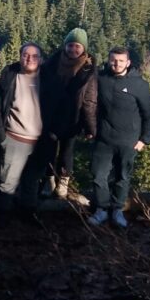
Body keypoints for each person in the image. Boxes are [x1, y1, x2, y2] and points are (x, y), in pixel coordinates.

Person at [88, 47, 150, 228]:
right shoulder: (100, 79)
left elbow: (148, 114)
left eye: (120, 60)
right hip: (104, 138)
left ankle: (117, 210)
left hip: (129, 141)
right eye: (113, 60)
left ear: (128, 62)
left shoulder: (139, 85)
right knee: (98, 175)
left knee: (122, 177)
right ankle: (101, 209)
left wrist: (144, 140)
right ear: (108, 60)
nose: (116, 64)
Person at [38, 28, 97, 199]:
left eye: (77, 46)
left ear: (83, 48)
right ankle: (49, 181)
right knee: (49, 149)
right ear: (65, 46)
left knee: (67, 151)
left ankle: (63, 183)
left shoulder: (89, 68)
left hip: (73, 118)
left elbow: (90, 100)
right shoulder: (52, 63)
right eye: (70, 45)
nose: (73, 49)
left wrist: (90, 127)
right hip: (52, 115)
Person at [0, 42, 45, 225]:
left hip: (40, 140)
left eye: (34, 56)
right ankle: (2, 215)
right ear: (20, 56)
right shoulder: (10, 74)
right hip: (14, 137)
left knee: (32, 181)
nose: (29, 59)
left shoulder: (48, 78)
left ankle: (28, 214)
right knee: (7, 180)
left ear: (40, 59)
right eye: (25, 55)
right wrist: (1, 134)